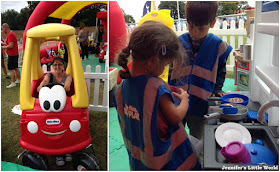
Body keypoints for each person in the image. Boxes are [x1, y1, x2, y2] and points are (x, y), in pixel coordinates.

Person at [113, 21, 201, 170]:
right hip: (166, 163)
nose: (164, 69)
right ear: (152, 61)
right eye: (165, 65)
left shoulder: (120, 89)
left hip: (139, 163)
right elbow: (175, 116)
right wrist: (185, 100)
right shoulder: (155, 88)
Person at [169, 1, 233, 139]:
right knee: (174, 136)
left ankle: (196, 160)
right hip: (177, 99)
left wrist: (217, 89)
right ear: (187, 21)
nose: (195, 32)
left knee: (198, 138)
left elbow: (221, 69)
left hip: (201, 101)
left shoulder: (218, 45)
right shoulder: (178, 43)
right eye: (191, 26)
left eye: (201, 28)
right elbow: (171, 68)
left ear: (212, 23)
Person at [1, 23, 21, 88]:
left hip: (12, 54)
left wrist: (3, 47)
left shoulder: (10, 35)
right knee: (15, 67)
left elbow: (10, 46)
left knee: (10, 69)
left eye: (2, 29)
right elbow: (9, 44)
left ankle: (13, 82)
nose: (2, 31)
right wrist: (4, 44)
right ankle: (18, 79)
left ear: (5, 28)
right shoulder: (11, 34)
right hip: (15, 54)